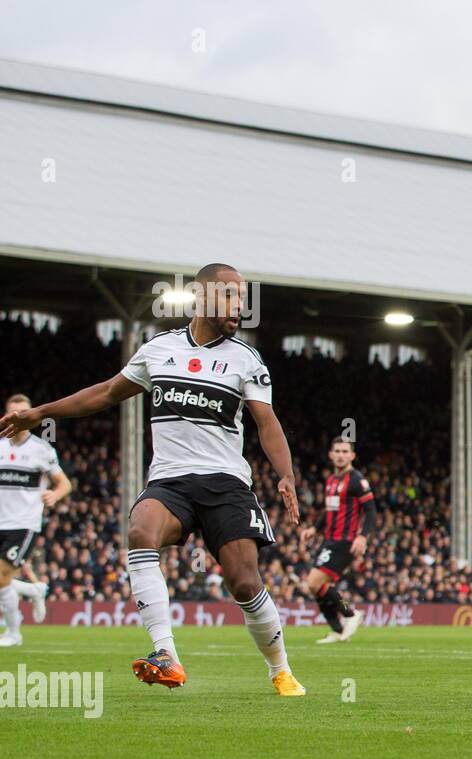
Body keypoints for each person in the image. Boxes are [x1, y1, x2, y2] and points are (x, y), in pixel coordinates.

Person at [0, 263, 306, 695]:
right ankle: (166, 654)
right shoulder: (158, 349)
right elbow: (106, 393)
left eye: (243, 298)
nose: (240, 306)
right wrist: (41, 411)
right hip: (171, 480)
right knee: (141, 529)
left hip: (225, 483)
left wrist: (286, 475)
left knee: (244, 582)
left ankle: (280, 667)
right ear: (203, 298)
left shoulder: (246, 359)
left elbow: (266, 421)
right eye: (231, 296)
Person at [0, 394, 71, 646]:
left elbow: (65, 484)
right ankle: (32, 590)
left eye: (23, 414)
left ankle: (13, 633)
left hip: (23, 524)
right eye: (13, 413)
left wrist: (55, 494)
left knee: (1, 577)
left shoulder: (41, 450)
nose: (18, 418)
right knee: (2, 579)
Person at [299, 437, 376, 644]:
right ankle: (338, 630)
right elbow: (330, 510)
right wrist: (314, 529)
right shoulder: (331, 481)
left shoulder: (356, 480)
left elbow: (370, 511)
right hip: (329, 539)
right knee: (319, 587)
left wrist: (362, 536)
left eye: (345, 451)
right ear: (331, 455)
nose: (341, 455)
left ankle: (351, 614)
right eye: (338, 451)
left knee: (314, 582)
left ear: (352, 456)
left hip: (345, 540)